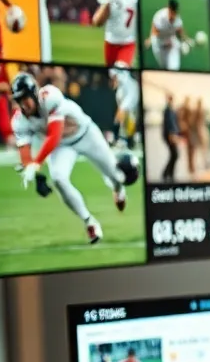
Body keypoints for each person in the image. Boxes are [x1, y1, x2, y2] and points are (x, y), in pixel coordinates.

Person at [11, 70, 129, 244]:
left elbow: (54, 135)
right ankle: (89, 222)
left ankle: (118, 188)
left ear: (35, 94)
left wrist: (37, 163)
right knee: (58, 178)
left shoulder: (50, 96)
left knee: (116, 175)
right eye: (19, 100)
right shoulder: (19, 121)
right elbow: (26, 157)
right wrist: (35, 175)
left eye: (25, 98)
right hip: (62, 147)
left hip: (86, 134)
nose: (23, 105)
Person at [93, 0, 137, 66]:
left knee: (120, 73)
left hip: (128, 43)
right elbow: (97, 22)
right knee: (112, 76)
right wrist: (106, 5)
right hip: (111, 42)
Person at [146, 0, 190, 71]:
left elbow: (180, 31)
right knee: (164, 68)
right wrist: (150, 40)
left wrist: (187, 40)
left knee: (174, 68)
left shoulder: (177, 20)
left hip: (171, 45)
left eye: (175, 12)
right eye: (171, 11)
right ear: (169, 8)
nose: (173, 14)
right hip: (159, 45)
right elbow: (155, 30)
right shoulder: (160, 16)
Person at [161, 93, 180, 182]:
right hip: (170, 135)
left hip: (173, 135)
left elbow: (175, 123)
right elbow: (169, 124)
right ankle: (167, 174)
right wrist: (171, 135)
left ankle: (168, 174)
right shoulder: (167, 110)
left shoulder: (172, 110)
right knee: (175, 154)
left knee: (174, 155)